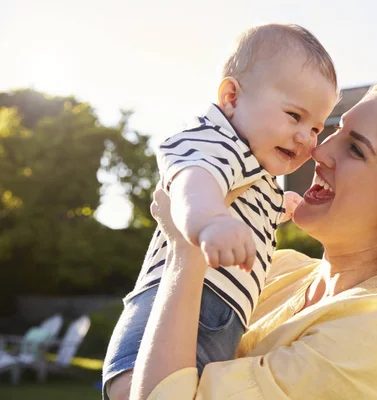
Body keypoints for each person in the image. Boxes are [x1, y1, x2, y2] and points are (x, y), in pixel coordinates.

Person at [131, 78, 377, 399]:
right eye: (334, 131)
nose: (318, 152)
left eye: (356, 150)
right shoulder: (277, 267)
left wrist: (185, 250)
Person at [103, 24, 339, 399]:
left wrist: (282, 206)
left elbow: (244, 203)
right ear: (231, 97)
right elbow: (192, 181)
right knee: (145, 390)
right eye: (294, 116)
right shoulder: (215, 140)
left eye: (315, 128)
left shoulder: (254, 164)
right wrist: (209, 221)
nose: (306, 138)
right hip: (181, 305)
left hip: (219, 314)